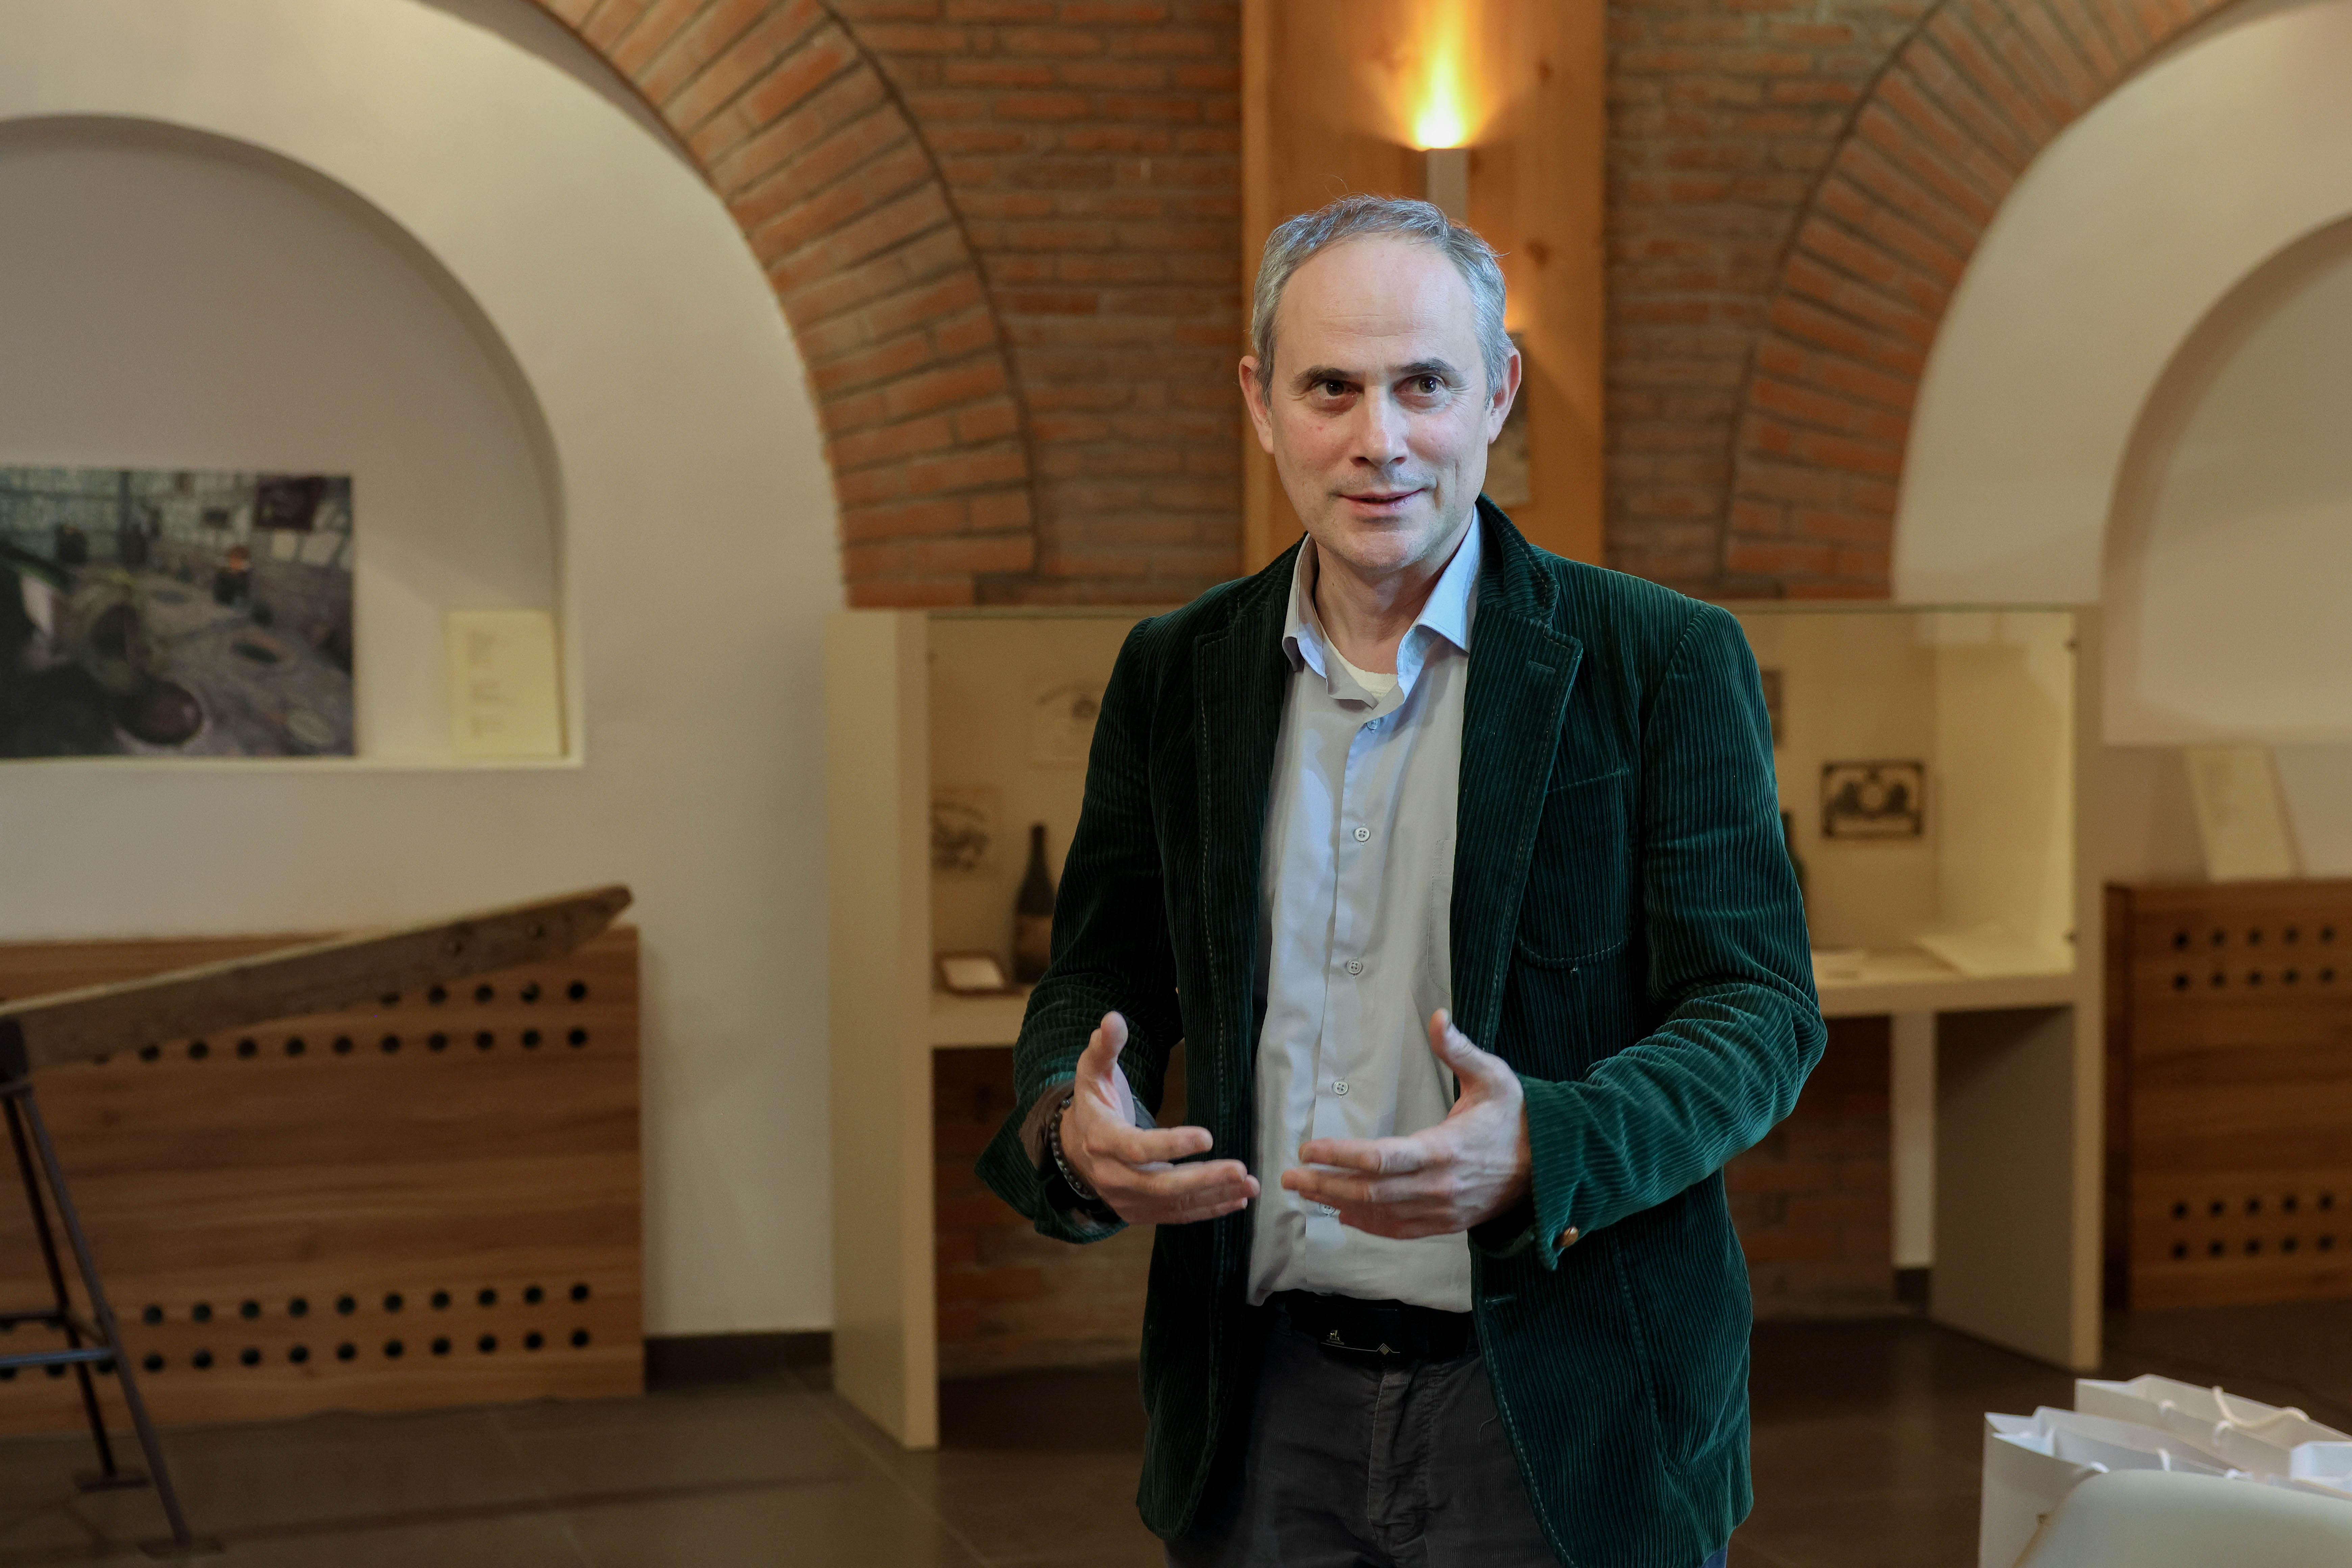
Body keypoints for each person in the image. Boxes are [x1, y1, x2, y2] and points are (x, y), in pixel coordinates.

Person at [976, 193, 1822, 1568]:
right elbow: (1100, 970)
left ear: (1499, 393)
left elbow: (1758, 1012)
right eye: (1332, 388)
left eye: (1424, 384)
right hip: (1258, 1399)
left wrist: (1548, 1141)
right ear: (1261, 404)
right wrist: (1073, 1126)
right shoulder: (1175, 671)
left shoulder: (1660, 659)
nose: (1381, 438)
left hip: (1563, 1394)